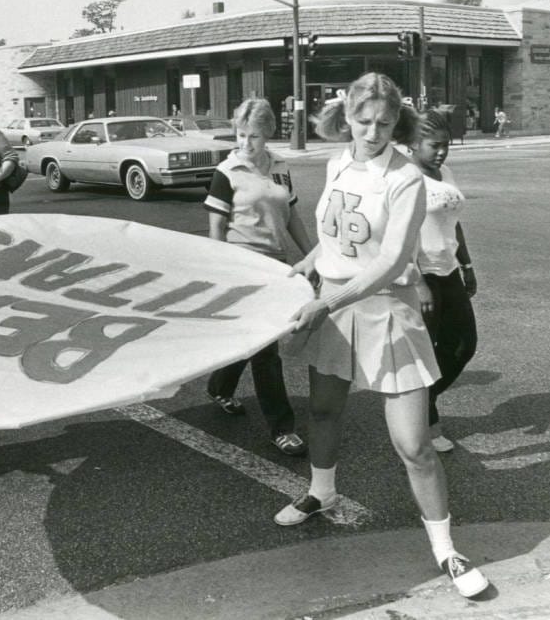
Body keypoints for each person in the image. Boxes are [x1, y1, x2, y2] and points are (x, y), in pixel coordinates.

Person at [274, 73, 489, 599]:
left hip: (386, 309)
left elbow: (393, 260)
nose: (373, 132)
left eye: (385, 123)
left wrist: (326, 302)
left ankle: (446, 550)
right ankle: (321, 492)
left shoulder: (406, 177)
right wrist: (306, 265)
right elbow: (333, 239)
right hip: (333, 301)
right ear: (346, 117)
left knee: (413, 444)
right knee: (324, 410)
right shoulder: (336, 162)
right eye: (364, 121)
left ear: (399, 123)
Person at [203, 98, 313, 456]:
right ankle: (282, 428)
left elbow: (291, 215)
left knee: (250, 340)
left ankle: (220, 387)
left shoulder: (279, 167)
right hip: (242, 265)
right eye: (240, 134)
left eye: (253, 136)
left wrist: (314, 256)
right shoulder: (227, 171)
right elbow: (216, 228)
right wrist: (222, 273)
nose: (245, 143)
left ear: (267, 135)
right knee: (267, 350)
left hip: (277, 266)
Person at [408, 108, 478, 453]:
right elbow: (398, 237)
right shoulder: (405, 178)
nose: (441, 152)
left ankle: (417, 404)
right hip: (423, 276)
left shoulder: (444, 171)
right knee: (425, 354)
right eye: (434, 145)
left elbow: (454, 222)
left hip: (449, 270)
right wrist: (418, 282)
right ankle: (426, 424)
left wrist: (467, 265)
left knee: (464, 345)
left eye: (445, 145)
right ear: (413, 143)